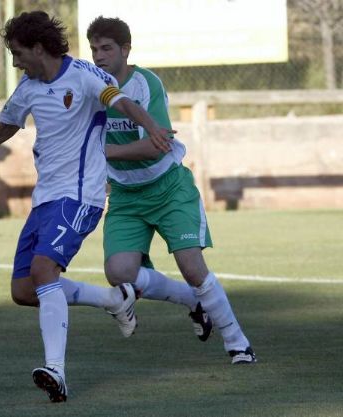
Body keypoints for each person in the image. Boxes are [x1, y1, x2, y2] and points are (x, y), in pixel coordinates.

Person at [0, 11, 174, 403]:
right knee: (24, 290)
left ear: (39, 48)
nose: (15, 63)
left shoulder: (84, 75)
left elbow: (123, 102)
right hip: (45, 199)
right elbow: (7, 124)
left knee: (44, 269)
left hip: (81, 195)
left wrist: (151, 126)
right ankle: (115, 300)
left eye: (17, 53)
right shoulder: (29, 86)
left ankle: (56, 372)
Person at [86, 16, 256, 364]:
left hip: (168, 189)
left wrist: (105, 153)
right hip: (125, 195)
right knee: (119, 273)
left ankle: (238, 343)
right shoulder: (91, 86)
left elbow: (158, 144)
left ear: (125, 50)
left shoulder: (145, 83)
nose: (99, 56)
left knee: (192, 267)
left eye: (106, 48)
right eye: (94, 49)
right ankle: (192, 301)